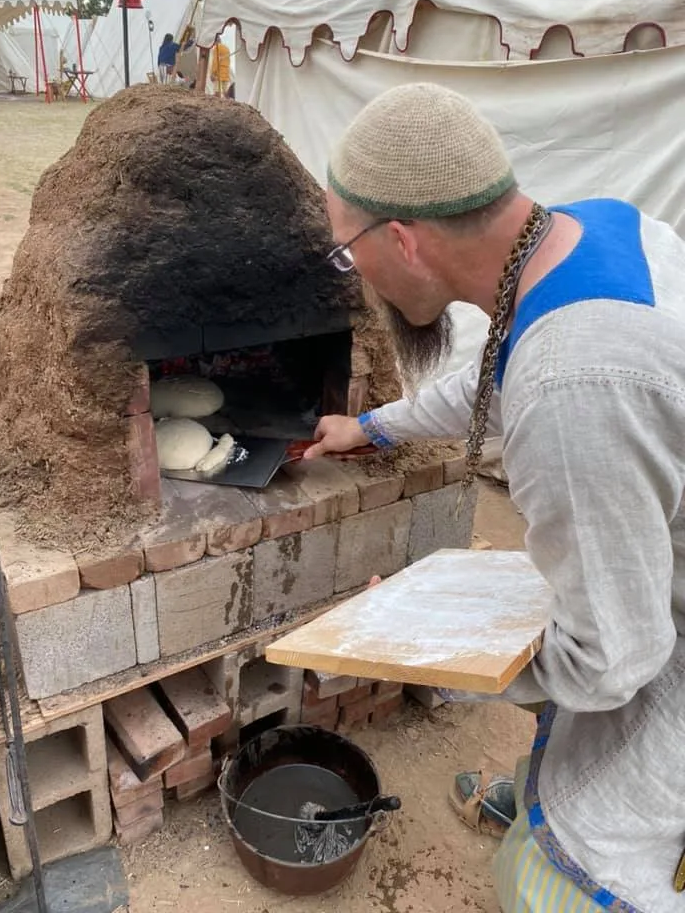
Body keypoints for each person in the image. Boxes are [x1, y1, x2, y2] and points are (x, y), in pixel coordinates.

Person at [304, 82, 685, 912]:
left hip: (668, 642)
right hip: (651, 562)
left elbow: (613, 658)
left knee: (559, 879)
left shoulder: (576, 379)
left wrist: (430, 644)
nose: (352, 272)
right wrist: (370, 426)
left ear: (401, 240)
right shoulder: (582, 233)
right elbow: (499, 378)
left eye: (345, 251)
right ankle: (541, 791)